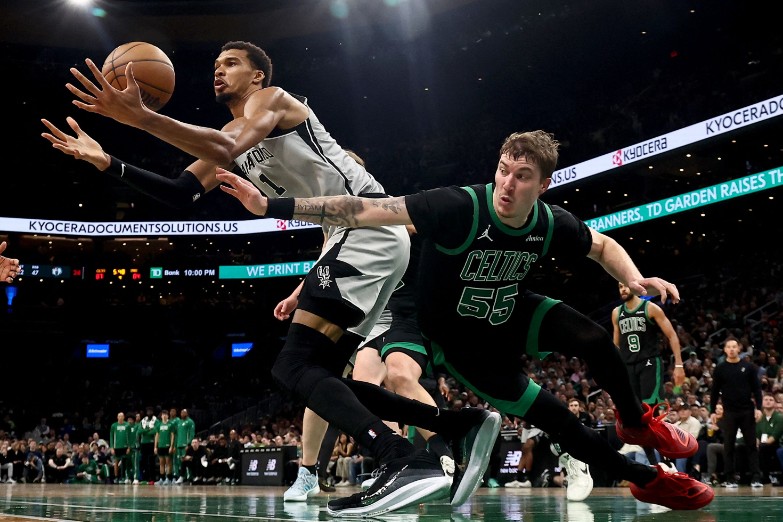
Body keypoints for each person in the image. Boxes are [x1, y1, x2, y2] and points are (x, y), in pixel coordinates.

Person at [44, 41, 498, 516]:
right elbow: (181, 193)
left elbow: (224, 147)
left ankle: (399, 456)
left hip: (364, 225)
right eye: (215, 65)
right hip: (366, 238)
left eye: (231, 63)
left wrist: (140, 119)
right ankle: (455, 425)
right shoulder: (230, 134)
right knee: (320, 375)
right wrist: (108, 163)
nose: (218, 71)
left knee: (293, 367)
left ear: (258, 76)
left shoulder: (274, 101)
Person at [216, 130, 716, 511]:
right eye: (503, 170)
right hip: (456, 340)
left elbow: (602, 246)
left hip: (508, 311)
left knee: (591, 335)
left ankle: (635, 422)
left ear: (543, 185)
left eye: (521, 177)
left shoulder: (548, 222)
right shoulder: (459, 206)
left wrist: (633, 279)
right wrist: (270, 205)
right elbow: (362, 210)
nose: (507, 183)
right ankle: (648, 480)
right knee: (557, 419)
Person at [612, 281, 685, 467]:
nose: (623, 289)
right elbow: (616, 346)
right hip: (628, 366)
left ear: (635, 287)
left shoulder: (650, 308)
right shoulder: (616, 313)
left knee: (653, 413)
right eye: (620, 286)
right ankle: (654, 464)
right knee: (636, 419)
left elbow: (672, 335)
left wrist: (678, 364)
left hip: (650, 363)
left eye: (625, 285)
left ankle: (668, 461)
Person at [711, 336, 763, 488]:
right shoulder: (720, 368)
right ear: (725, 350)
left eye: (734, 346)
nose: (732, 349)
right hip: (729, 412)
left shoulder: (749, 367)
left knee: (751, 444)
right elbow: (714, 391)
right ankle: (730, 477)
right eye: (729, 347)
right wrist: (712, 410)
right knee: (729, 445)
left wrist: (758, 408)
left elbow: (757, 390)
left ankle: (756, 476)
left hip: (747, 410)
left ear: (739, 348)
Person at [756, 392, 783, 484]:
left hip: (774, 444)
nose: (768, 402)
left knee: (763, 447)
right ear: (762, 402)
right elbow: (757, 435)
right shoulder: (759, 418)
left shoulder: (779, 418)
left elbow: (774, 436)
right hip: (762, 444)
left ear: (775, 403)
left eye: (771, 400)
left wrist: (761, 444)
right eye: (766, 400)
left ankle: (765, 476)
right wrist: (757, 443)